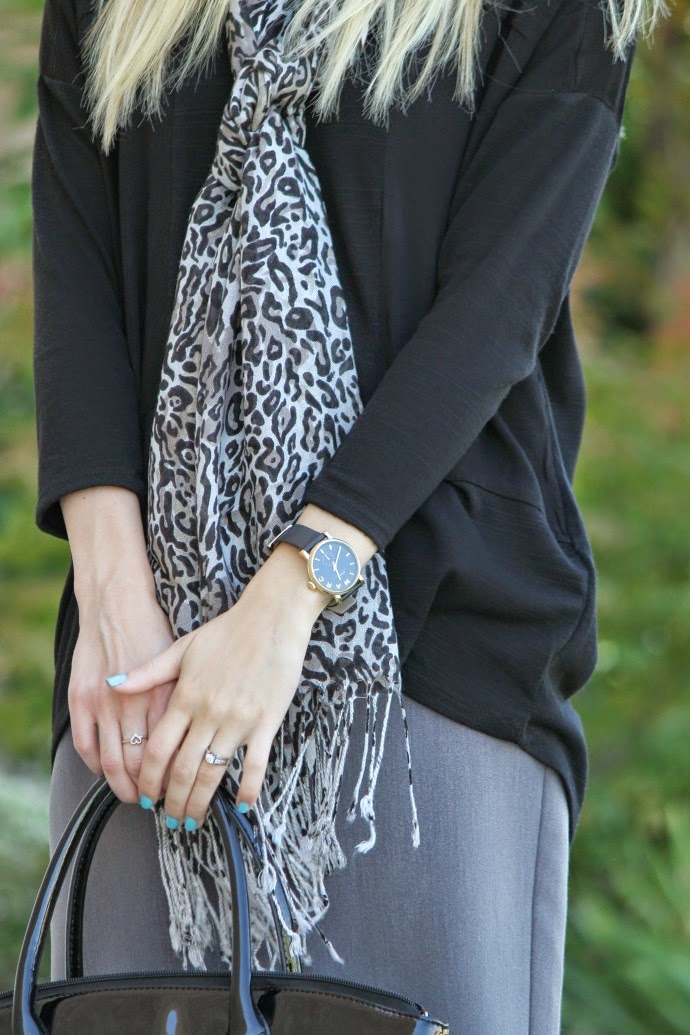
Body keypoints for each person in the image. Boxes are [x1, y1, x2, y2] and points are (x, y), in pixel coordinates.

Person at [32, 0, 664, 1030]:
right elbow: (76, 265)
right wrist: (111, 598)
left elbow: (499, 302)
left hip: (430, 670)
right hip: (142, 682)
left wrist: (287, 600)